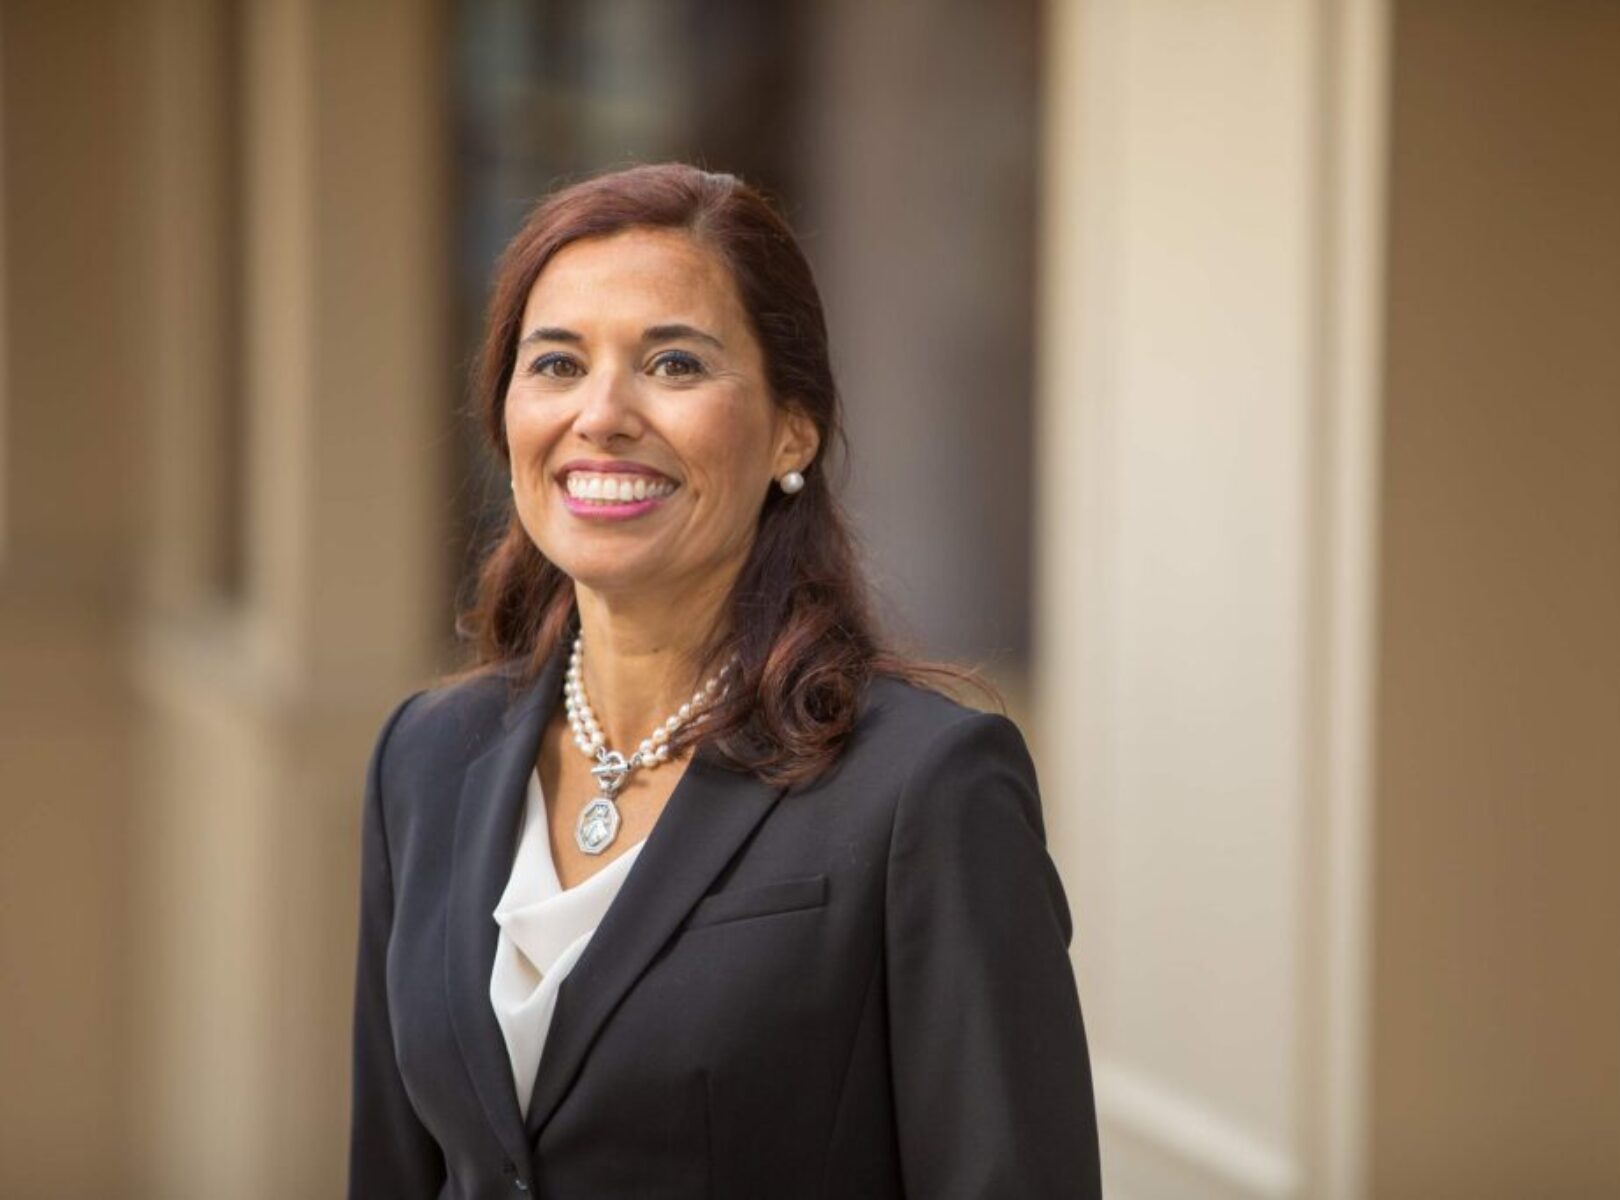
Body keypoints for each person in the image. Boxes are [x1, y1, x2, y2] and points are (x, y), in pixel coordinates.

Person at [347, 161, 1101, 1198]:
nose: (601, 415)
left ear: (793, 428)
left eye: (673, 363)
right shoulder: (425, 759)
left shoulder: (925, 790)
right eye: (557, 365)